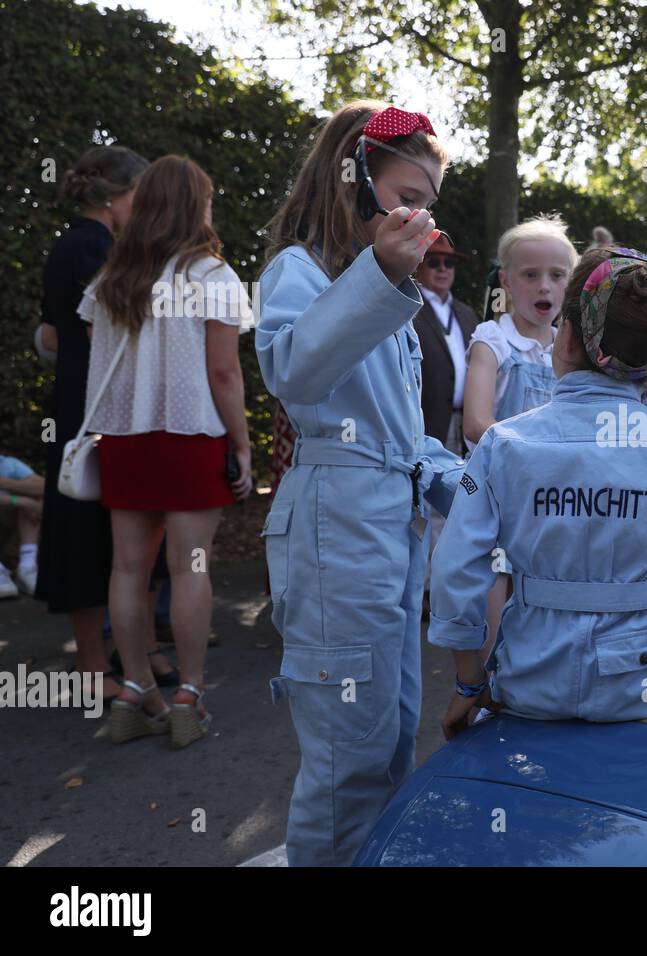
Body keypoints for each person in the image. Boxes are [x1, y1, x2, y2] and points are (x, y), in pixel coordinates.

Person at [429, 246, 647, 735]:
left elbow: (457, 571)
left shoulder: (503, 444)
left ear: (565, 339)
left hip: (530, 690)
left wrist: (469, 685)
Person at [257, 102, 465, 866]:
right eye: (408, 195)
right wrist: (378, 274)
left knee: (386, 740)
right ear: (356, 176)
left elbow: (406, 440)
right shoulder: (302, 271)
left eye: (428, 203)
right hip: (335, 530)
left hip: (386, 528)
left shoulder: (383, 290)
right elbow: (293, 371)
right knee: (348, 760)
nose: (422, 218)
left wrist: (480, 494)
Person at [79, 156, 253, 748]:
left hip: (124, 440)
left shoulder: (110, 280)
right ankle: (189, 696)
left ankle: (133, 690)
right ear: (194, 205)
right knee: (190, 567)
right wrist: (243, 446)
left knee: (127, 569)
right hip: (190, 437)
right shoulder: (213, 276)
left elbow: (95, 354)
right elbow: (225, 374)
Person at [35, 145, 148, 698]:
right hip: (95, 405)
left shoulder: (73, 244)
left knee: (93, 525)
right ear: (116, 198)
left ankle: (115, 661)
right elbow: (98, 331)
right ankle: (94, 667)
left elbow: (50, 335)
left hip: (79, 400)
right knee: (88, 527)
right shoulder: (94, 248)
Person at [462, 215, 576, 447]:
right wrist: (535, 451)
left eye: (557, 275)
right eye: (530, 275)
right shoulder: (493, 340)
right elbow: (475, 424)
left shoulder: (570, 350)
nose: (544, 287)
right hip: (497, 478)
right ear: (506, 281)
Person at [413, 232, 477, 456]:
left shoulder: (466, 313)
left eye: (449, 263)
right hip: (427, 422)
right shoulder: (408, 308)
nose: (443, 269)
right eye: (433, 262)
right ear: (418, 266)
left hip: (466, 423)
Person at [0, 453, 43, 597]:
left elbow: (42, 486)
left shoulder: (8, 464)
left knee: (33, 496)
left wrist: (5, 483)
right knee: (27, 501)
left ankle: (27, 567)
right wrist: (18, 501)